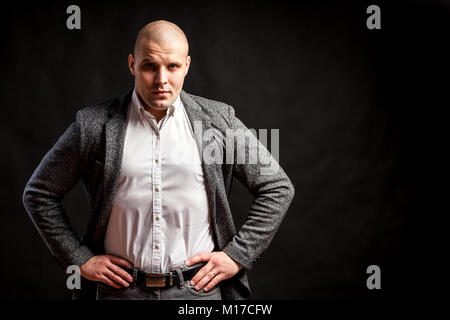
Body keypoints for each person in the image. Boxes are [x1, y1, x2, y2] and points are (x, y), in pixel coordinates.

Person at [23, 20, 295, 300]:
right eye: (150, 66)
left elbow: (277, 187)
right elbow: (39, 193)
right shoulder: (92, 126)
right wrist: (80, 258)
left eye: (173, 67)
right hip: (119, 293)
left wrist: (237, 255)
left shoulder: (218, 121)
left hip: (198, 293)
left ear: (187, 65)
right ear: (132, 64)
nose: (161, 79)